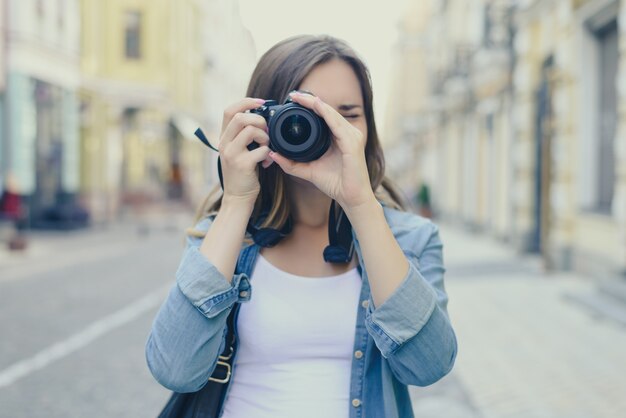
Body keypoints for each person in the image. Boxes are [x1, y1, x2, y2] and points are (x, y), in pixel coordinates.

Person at [146, 34, 457, 418]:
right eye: (308, 112)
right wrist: (236, 204)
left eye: (347, 114)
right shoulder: (224, 237)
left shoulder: (412, 238)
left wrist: (360, 204)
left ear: (368, 129)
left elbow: (429, 367)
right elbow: (174, 370)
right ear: (261, 120)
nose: (329, 129)